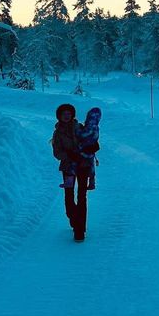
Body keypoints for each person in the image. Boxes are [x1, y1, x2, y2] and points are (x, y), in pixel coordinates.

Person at [51, 103, 99, 242]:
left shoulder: (80, 127)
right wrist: (69, 155)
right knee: (69, 195)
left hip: (83, 165)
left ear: (72, 115)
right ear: (59, 116)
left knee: (82, 196)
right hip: (68, 168)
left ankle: (80, 229)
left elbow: (89, 140)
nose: (66, 116)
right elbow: (57, 152)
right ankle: (73, 217)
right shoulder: (57, 132)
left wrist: (93, 146)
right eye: (63, 114)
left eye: (69, 113)